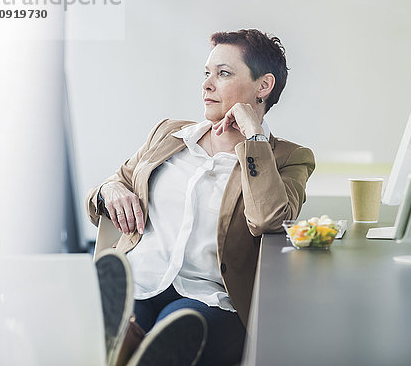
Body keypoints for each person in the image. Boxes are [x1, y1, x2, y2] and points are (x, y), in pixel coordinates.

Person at [86, 29, 316, 366]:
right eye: (206, 74)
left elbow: (269, 217)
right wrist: (112, 190)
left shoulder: (288, 157)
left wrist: (254, 139)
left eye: (222, 73)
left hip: (209, 298)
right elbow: (103, 192)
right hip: (139, 281)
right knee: (120, 319)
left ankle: (129, 345)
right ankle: (125, 341)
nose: (207, 84)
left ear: (263, 86)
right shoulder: (168, 134)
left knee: (176, 329)